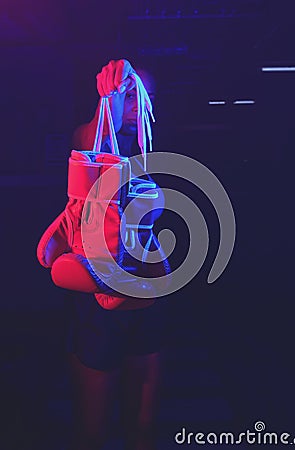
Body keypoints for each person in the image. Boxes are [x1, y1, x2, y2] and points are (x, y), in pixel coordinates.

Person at [65, 58, 169, 450]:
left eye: (145, 97)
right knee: (93, 429)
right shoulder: (94, 142)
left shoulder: (151, 145)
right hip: (98, 298)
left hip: (147, 294)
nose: (137, 106)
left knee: (144, 425)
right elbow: (86, 138)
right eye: (130, 96)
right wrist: (108, 96)